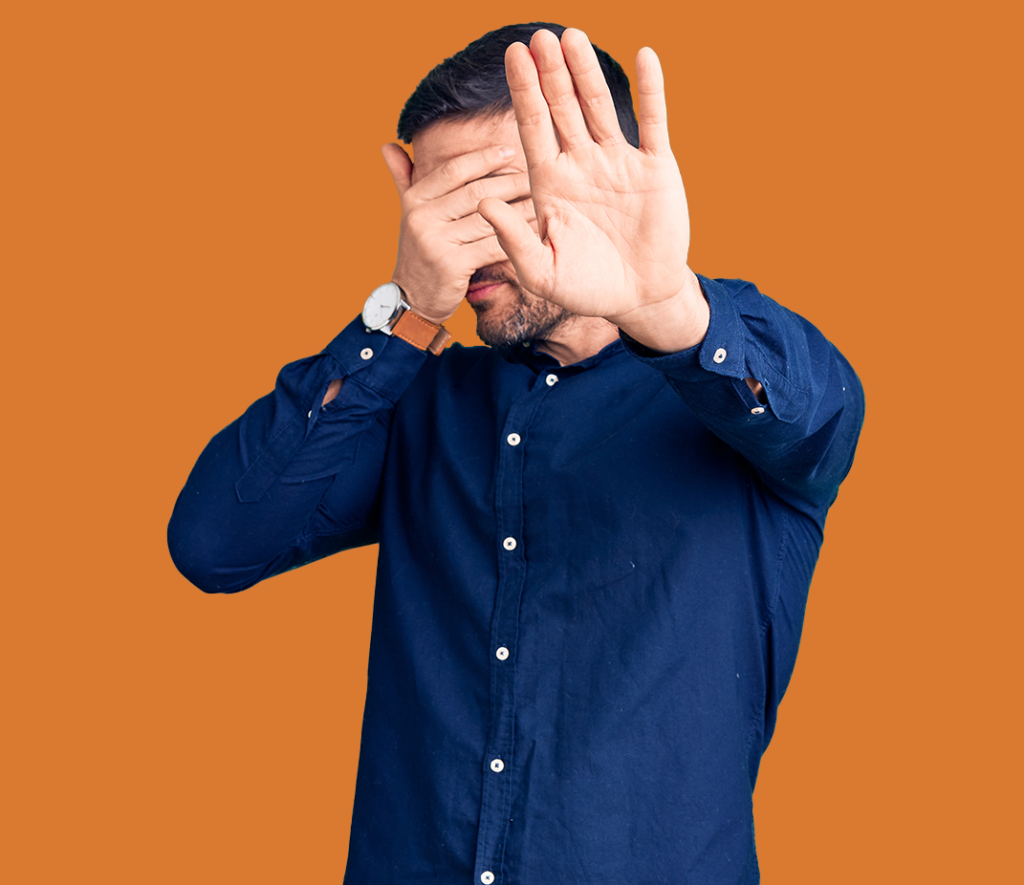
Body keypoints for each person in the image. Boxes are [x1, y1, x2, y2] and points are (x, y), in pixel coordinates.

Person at [168, 21, 864, 885]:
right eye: (438, 206)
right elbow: (215, 540)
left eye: (499, 192)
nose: (466, 239)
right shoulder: (412, 400)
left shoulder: (740, 388)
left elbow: (819, 413)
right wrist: (406, 313)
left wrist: (665, 298)